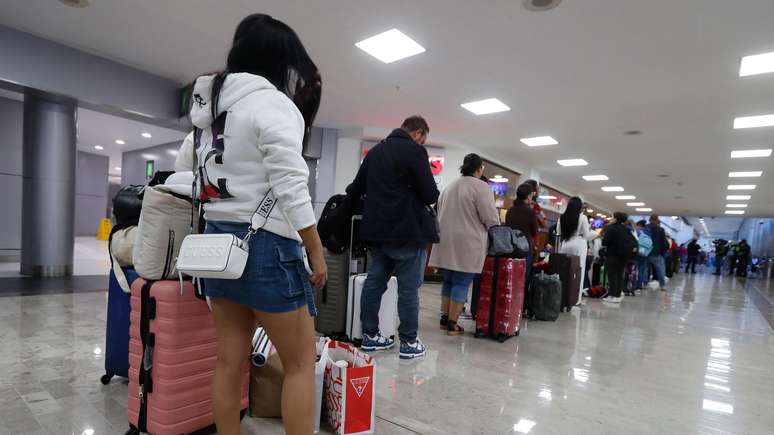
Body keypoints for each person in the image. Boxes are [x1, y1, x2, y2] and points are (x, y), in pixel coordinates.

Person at [175, 13, 327, 435]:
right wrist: (314, 246)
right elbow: (290, 183)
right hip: (266, 250)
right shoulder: (275, 105)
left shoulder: (207, 115)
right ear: (279, 63)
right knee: (299, 363)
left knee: (228, 359)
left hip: (217, 250)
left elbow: (182, 171)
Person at [346, 115, 440, 359]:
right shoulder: (415, 152)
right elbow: (430, 194)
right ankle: (409, 342)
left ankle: (370, 336)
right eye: (423, 139)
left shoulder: (375, 152)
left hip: (378, 233)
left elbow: (355, 188)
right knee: (408, 289)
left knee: (375, 283)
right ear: (418, 133)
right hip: (408, 232)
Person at [429, 154, 499, 335]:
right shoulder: (481, 186)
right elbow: (490, 217)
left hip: (445, 240)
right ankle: (453, 323)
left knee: (448, 281)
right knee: (461, 282)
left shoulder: (449, 186)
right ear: (479, 169)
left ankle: (444, 319)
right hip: (468, 242)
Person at [556, 197, 598, 305]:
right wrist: (596, 233)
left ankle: (563, 296)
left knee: (564, 270)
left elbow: (558, 232)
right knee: (578, 271)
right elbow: (587, 236)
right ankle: (575, 299)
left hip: (565, 244)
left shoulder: (562, 217)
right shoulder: (582, 218)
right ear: (579, 207)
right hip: (579, 244)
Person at [506, 184, 540, 283]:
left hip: (511, 248)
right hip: (525, 249)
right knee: (522, 280)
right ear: (529, 196)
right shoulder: (530, 212)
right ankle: (520, 298)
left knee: (511, 278)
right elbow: (534, 232)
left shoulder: (510, 211)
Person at [602, 212, 637, 303]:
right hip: (624, 256)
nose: (611, 219)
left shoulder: (612, 228)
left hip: (612, 255)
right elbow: (633, 242)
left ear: (616, 218)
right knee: (619, 274)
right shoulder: (627, 229)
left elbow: (605, 242)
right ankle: (617, 294)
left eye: (612, 217)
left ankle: (612, 295)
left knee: (612, 275)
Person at [645, 214, 669, 291]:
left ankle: (643, 283)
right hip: (656, 252)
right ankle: (663, 286)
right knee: (660, 269)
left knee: (644, 269)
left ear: (650, 219)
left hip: (645, 252)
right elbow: (664, 242)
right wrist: (662, 252)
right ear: (657, 220)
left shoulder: (645, 228)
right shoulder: (661, 229)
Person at [634, 220, 652, 289]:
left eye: (637, 226)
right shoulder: (649, 232)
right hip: (646, 253)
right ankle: (641, 284)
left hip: (639, 253)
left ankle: (637, 285)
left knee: (637, 269)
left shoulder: (639, 232)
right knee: (642, 269)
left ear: (639, 225)